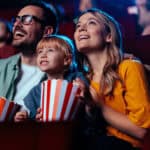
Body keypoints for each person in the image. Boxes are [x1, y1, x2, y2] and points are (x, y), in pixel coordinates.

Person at [74, 8, 150, 150]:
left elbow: (142, 130)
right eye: (78, 26)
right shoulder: (82, 80)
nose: (81, 28)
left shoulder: (129, 67)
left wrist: (100, 106)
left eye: (91, 23)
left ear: (109, 36)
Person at [0, 1, 58, 107]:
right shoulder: (1, 67)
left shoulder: (62, 74)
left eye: (26, 19)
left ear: (47, 31)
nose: (16, 25)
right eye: (16, 20)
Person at [14, 34, 85, 121]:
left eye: (50, 50)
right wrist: (23, 115)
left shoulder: (78, 79)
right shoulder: (37, 90)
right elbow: (27, 110)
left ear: (67, 59)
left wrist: (83, 90)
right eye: (40, 51)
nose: (43, 55)